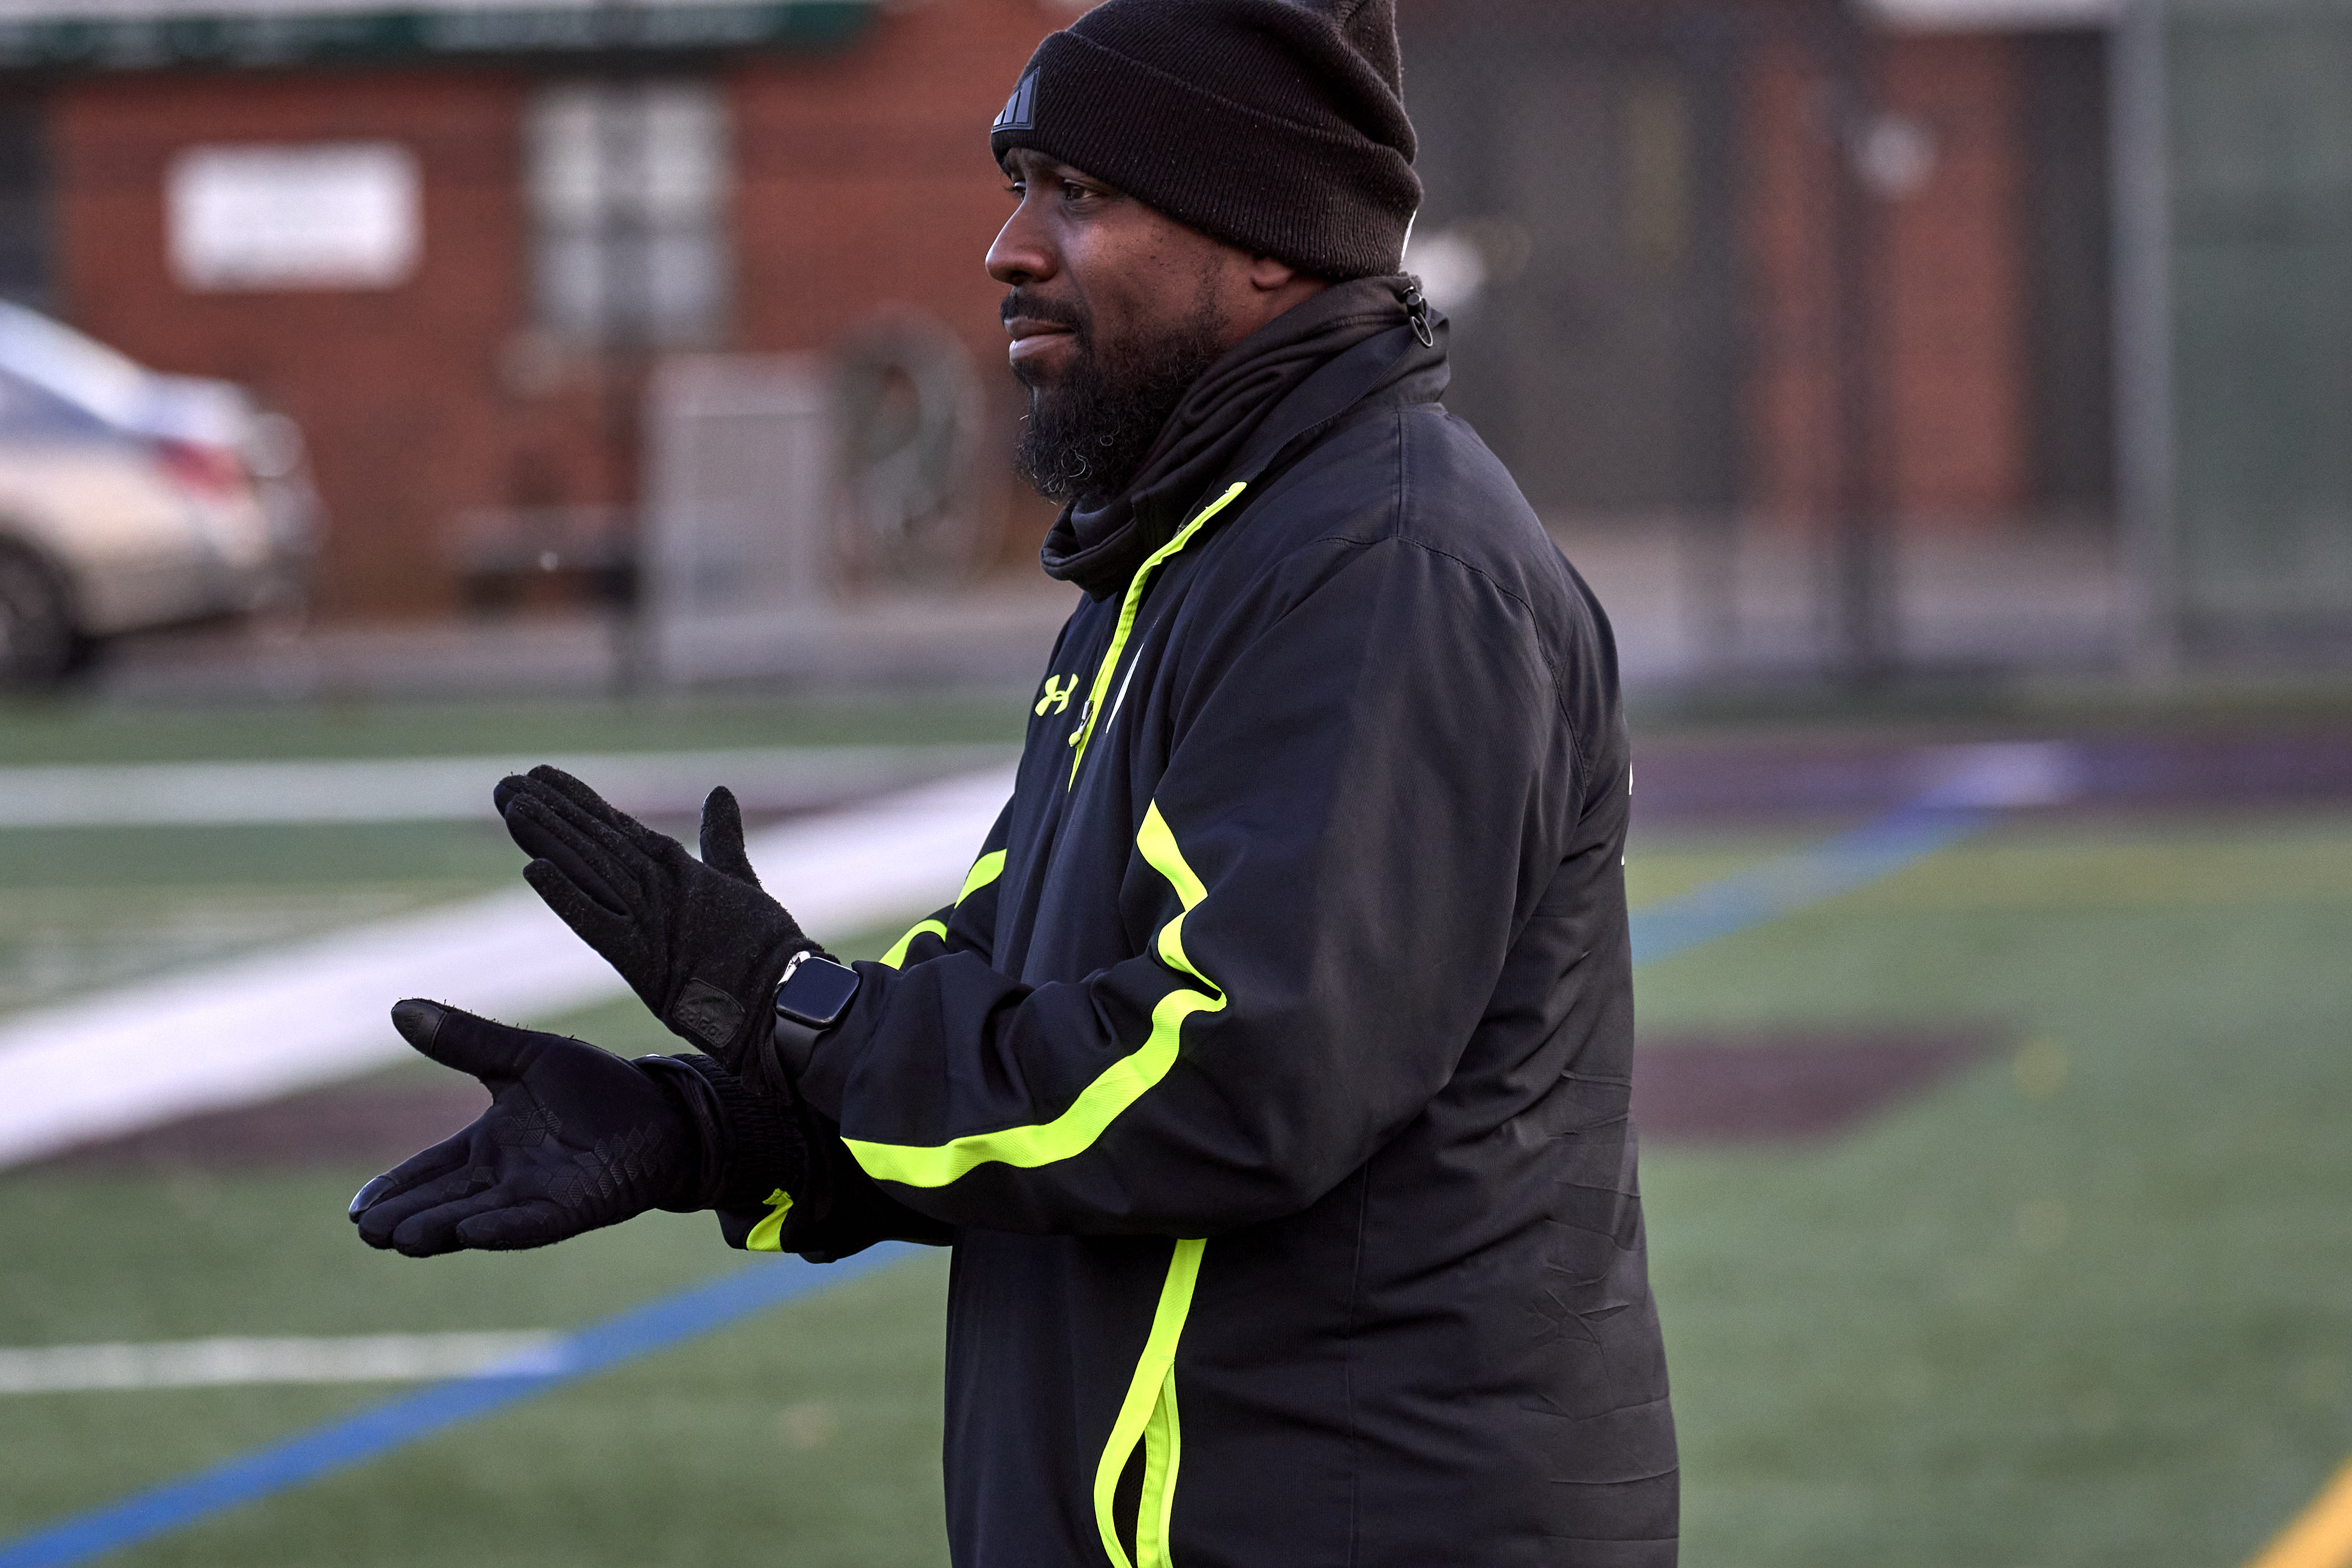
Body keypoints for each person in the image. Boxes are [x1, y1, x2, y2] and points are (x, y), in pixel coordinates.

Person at [347, 0, 1677, 1561]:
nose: (1009, 249)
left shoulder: (1385, 566)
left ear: (1268, 241)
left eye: (1083, 193)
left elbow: (1223, 1085)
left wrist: (791, 1006)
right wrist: (721, 1129)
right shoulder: (1186, 558)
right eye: (1018, 184)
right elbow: (1012, 1002)